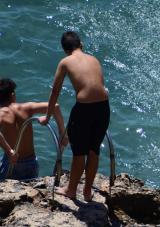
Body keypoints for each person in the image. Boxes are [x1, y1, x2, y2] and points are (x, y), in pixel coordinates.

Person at [39, 31, 110, 202]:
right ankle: (87, 192)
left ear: (64, 49)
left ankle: (71, 190)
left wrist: (47, 116)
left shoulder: (65, 62)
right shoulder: (94, 59)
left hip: (84, 108)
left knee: (79, 152)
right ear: (81, 44)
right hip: (103, 107)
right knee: (94, 151)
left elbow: (55, 91)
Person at [0, 78, 66, 181]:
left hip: (13, 162)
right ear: (12, 95)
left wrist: (9, 151)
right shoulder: (26, 108)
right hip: (31, 162)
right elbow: (55, 107)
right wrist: (62, 133)